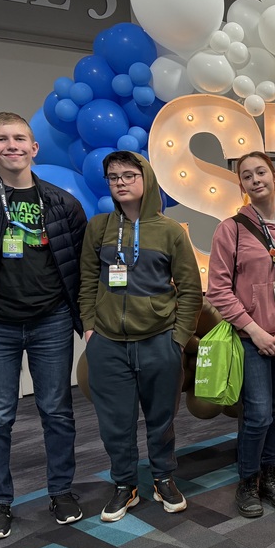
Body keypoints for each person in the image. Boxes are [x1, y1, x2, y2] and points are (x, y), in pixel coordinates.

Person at [0, 112, 87, 540]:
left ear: (34, 148)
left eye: (20, 138)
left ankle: (61, 491)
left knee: (57, 412)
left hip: (52, 322)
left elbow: (80, 263)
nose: (12, 146)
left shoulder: (62, 202)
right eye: (1, 139)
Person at [79, 151, 202, 522]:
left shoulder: (169, 231)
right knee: (115, 422)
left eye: (129, 175)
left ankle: (163, 477)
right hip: (108, 344)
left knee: (161, 419)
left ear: (145, 178)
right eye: (113, 176)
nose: (120, 181)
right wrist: (89, 327)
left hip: (159, 341)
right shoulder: (98, 227)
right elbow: (86, 280)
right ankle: (124, 485)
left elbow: (191, 290)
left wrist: (178, 339)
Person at [206, 151, 275, 518]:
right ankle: (247, 481)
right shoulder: (231, 229)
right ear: (242, 186)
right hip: (249, 336)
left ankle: (271, 476)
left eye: (261, 173)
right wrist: (255, 331)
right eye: (247, 176)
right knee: (256, 414)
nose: (255, 180)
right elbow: (219, 289)